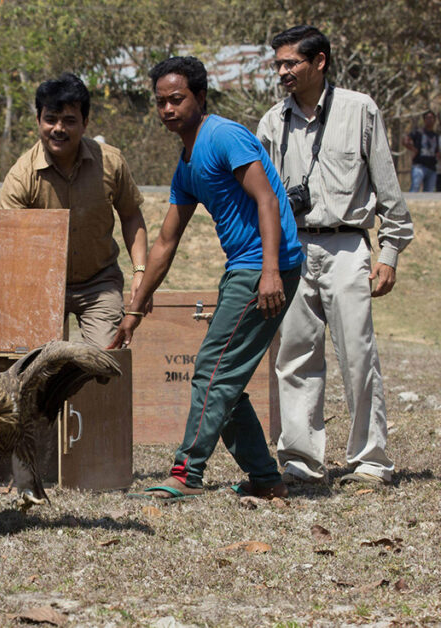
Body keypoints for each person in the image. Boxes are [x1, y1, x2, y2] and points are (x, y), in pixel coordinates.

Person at [110, 56, 305, 501]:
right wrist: (135, 308)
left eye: (176, 99)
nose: (167, 110)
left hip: (264, 267)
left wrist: (271, 273)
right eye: (160, 102)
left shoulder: (224, 137)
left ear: (200, 97)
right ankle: (266, 479)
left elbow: (268, 201)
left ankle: (186, 472)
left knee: (213, 373)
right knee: (226, 378)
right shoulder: (188, 162)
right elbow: (164, 242)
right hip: (244, 267)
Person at [257, 26, 414, 487]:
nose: (283, 71)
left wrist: (389, 253)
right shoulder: (271, 123)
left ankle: (371, 461)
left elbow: (389, 190)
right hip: (292, 248)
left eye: (291, 63)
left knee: (358, 355)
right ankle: (302, 462)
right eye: (278, 64)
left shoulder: (359, 109)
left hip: (348, 243)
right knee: (294, 356)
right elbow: (262, 200)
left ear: (319, 61)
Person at [0, 73, 149, 348]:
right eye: (51, 119)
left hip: (99, 283)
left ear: (85, 123)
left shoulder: (111, 162)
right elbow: (8, 247)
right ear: (38, 121)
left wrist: (141, 272)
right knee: (41, 369)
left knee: (105, 364)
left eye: (69, 121)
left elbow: (131, 216)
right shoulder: (21, 176)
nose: (59, 128)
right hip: (41, 286)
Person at [403, 110, 438, 193]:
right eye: (427, 118)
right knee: (415, 187)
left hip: (432, 167)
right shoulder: (418, 132)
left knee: (429, 192)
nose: (429, 120)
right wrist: (413, 149)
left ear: (434, 120)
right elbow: (405, 140)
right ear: (424, 120)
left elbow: (437, 151)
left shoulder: (436, 135)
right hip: (419, 166)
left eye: (431, 118)